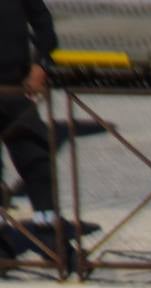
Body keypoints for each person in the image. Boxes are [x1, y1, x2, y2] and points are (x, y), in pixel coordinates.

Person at [0, 0, 60, 271]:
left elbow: (44, 25)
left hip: (16, 90)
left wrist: (41, 66)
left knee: (37, 160)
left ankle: (49, 236)